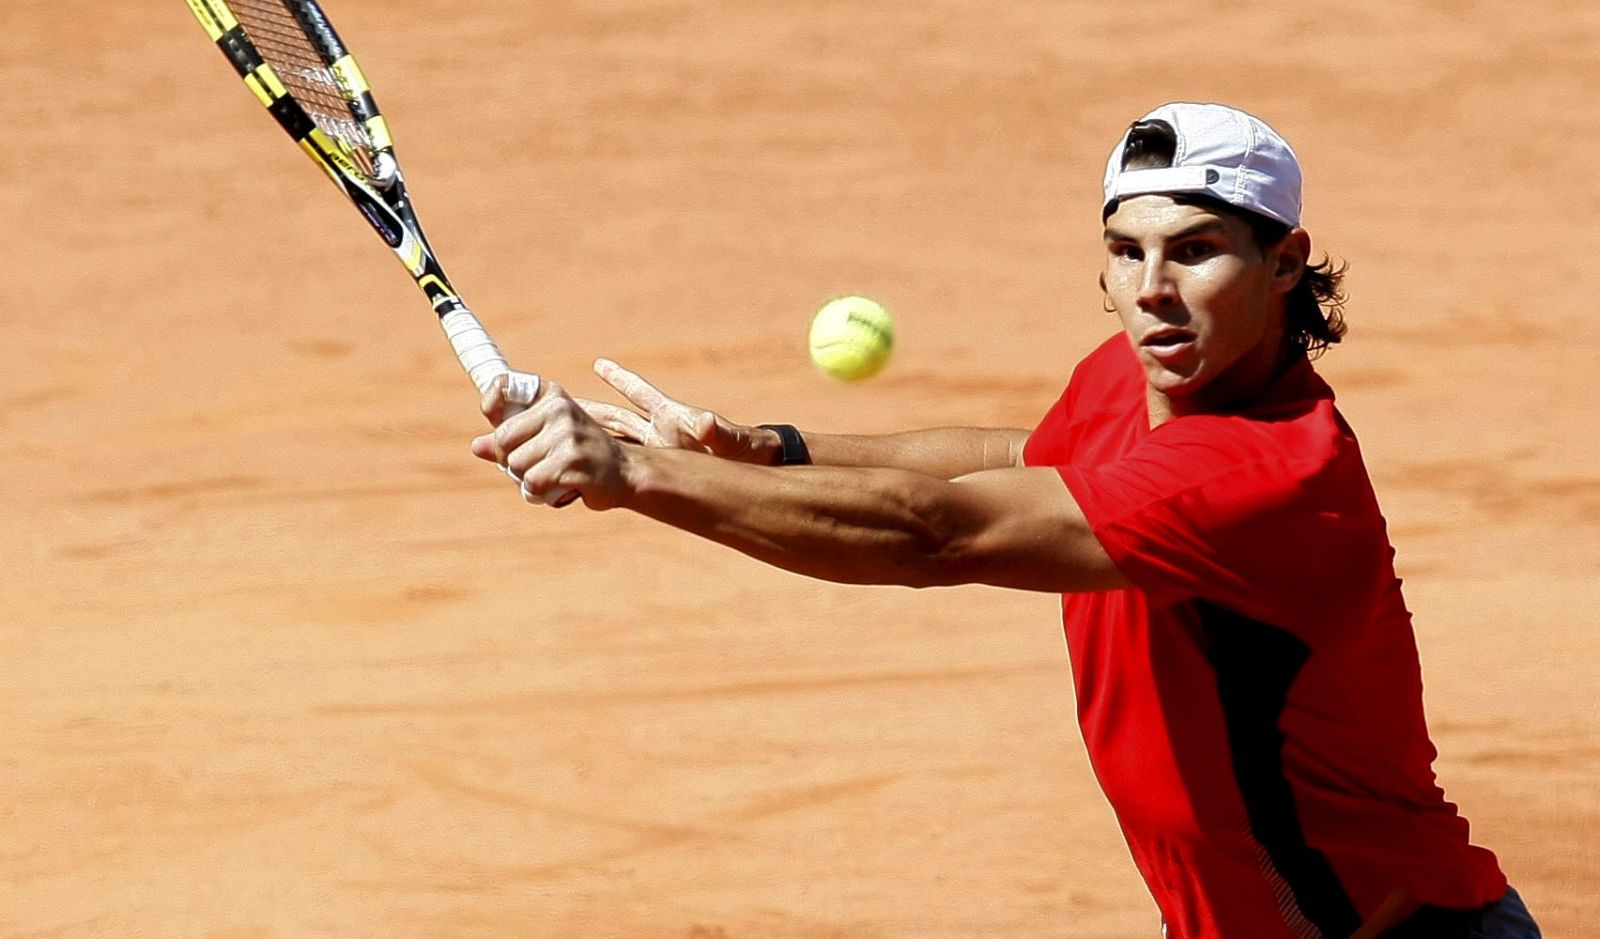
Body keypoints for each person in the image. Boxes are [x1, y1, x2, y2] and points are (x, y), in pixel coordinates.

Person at [470, 102, 1540, 938]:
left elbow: (936, 534)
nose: (1153, 291)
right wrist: (776, 451)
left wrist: (632, 479)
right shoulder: (1139, 380)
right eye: (1127, 251)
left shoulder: (1269, 474)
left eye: (1197, 249)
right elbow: (1020, 458)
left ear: (1285, 259)